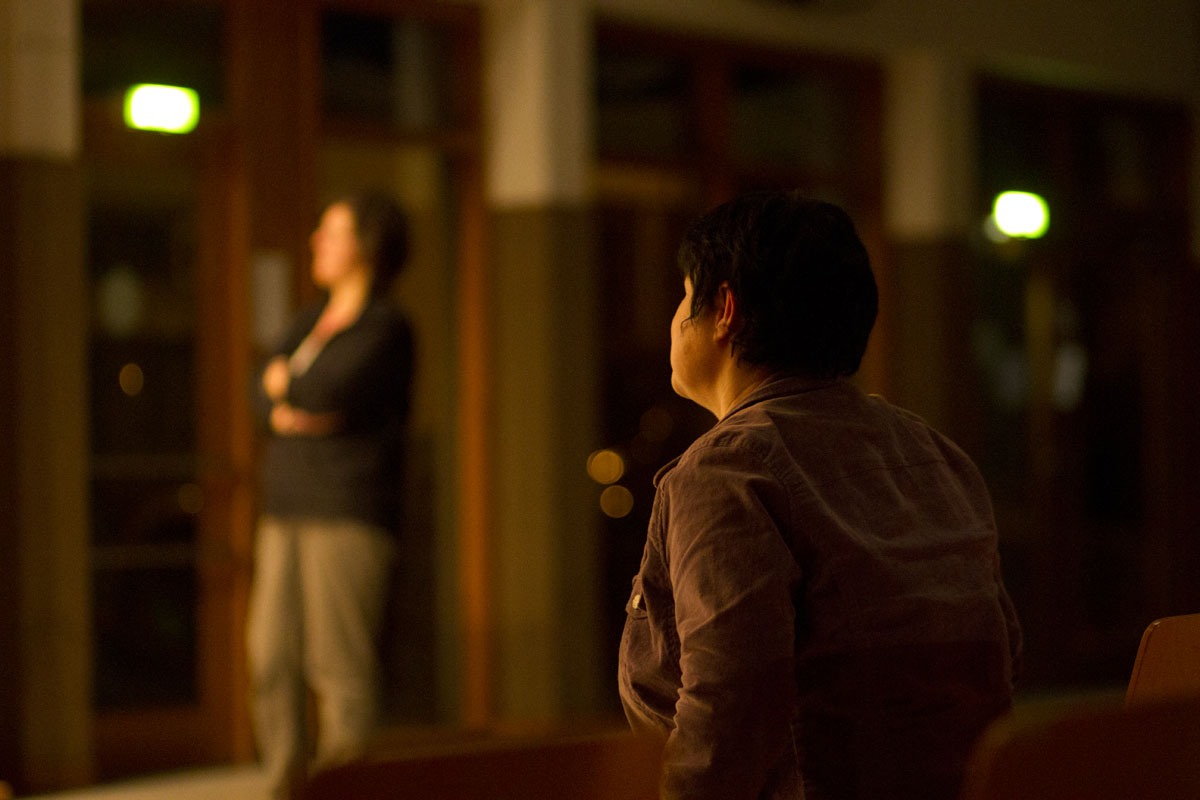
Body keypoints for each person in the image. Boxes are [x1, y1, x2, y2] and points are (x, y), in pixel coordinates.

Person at [618, 190, 1022, 800]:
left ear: (724, 308)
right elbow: (1001, 652)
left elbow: (731, 710)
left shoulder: (726, 472)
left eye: (684, 293)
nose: (674, 319)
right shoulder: (934, 453)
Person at [247, 190, 415, 799]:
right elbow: (259, 389)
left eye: (332, 231)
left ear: (365, 246)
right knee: (270, 655)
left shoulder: (386, 326)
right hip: (286, 504)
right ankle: (284, 785)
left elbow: (325, 390)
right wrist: (287, 399)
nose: (317, 240)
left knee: (338, 663)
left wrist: (291, 388)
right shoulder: (310, 318)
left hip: (347, 509)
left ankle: (347, 788)